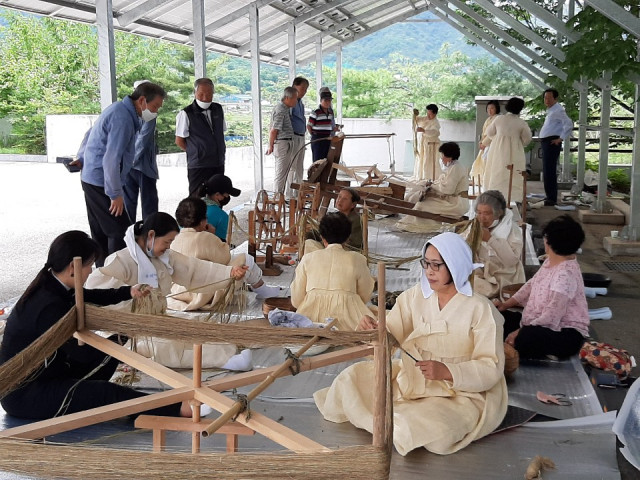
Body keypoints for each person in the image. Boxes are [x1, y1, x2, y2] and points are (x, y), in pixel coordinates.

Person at [314, 232, 507, 456]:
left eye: (437, 265)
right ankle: (394, 421)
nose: (429, 271)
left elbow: (490, 366)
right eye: (426, 263)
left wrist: (448, 371)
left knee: (431, 430)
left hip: (460, 393)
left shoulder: (481, 309)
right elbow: (391, 336)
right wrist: (373, 331)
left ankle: (399, 423)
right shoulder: (415, 297)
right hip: (412, 380)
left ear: (455, 266)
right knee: (348, 381)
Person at [0, 231, 192, 420]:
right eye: (89, 265)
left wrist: (129, 292)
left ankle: (88, 393)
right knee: (105, 393)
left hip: (51, 372)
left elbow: (89, 296)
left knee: (108, 359)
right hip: (25, 393)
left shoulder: (53, 284)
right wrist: (123, 334)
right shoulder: (48, 306)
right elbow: (83, 354)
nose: (91, 270)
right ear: (72, 267)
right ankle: (176, 409)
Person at [85, 213, 252, 370]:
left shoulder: (164, 257)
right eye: (166, 242)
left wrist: (228, 273)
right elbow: (97, 293)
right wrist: (134, 298)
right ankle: (224, 361)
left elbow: (193, 269)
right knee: (165, 346)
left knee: (192, 330)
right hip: (127, 331)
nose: (168, 247)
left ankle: (226, 351)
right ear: (151, 236)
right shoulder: (121, 260)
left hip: (156, 320)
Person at [78, 82, 166, 267]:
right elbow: (111, 158)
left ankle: (102, 274)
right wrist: (115, 194)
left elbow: (89, 133)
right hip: (100, 181)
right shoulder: (123, 118)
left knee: (101, 231)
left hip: (91, 177)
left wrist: (80, 158)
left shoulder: (118, 108)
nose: (156, 111)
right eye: (155, 106)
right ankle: (115, 275)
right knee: (120, 231)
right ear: (142, 100)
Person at [494, 215, 589, 359]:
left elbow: (551, 317)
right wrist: (506, 305)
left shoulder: (565, 276)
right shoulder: (551, 260)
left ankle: (546, 352)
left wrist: (519, 332)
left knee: (527, 338)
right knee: (497, 317)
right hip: (535, 322)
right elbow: (531, 284)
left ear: (549, 243)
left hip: (564, 332)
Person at [168, 197, 280, 311]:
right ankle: (262, 290)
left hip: (179, 293)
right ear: (203, 221)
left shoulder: (173, 238)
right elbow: (225, 258)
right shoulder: (205, 237)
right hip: (203, 292)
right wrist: (213, 235)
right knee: (245, 259)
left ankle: (260, 289)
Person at [291, 212, 375, 331]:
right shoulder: (357, 259)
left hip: (310, 321)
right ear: (347, 237)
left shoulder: (308, 259)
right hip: (350, 320)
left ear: (322, 236)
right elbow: (365, 294)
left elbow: (296, 299)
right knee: (377, 324)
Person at [467, 190, 525, 300]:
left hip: (503, 276)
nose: (482, 218)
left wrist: (490, 239)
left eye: (487, 213)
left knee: (476, 288)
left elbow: (511, 261)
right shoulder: (474, 227)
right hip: (480, 273)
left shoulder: (512, 231)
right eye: (479, 212)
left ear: (498, 213)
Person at [175, 78, 227, 197]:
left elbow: (220, 132)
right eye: (201, 94)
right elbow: (179, 141)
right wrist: (197, 152)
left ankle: (216, 216)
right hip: (199, 165)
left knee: (218, 197)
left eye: (209, 94)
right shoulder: (186, 113)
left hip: (218, 162)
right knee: (198, 199)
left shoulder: (218, 109)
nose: (205, 98)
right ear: (195, 93)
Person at [399, 142, 469, 228]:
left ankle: (417, 227)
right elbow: (443, 183)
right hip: (453, 200)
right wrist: (431, 184)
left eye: (442, 155)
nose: (441, 158)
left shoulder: (455, 168)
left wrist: (432, 186)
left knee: (422, 205)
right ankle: (414, 225)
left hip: (456, 203)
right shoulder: (453, 166)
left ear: (449, 156)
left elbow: (447, 189)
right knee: (422, 196)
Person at [482, 97, 532, 204]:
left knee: (496, 171)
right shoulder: (521, 123)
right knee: (513, 174)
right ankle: (513, 198)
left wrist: (497, 139)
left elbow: (489, 133)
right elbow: (527, 139)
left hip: (497, 150)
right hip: (515, 151)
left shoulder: (499, 119)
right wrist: (517, 143)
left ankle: (493, 197)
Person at [124, 80, 160, 222]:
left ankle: (130, 234)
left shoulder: (136, 111)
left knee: (130, 201)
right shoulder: (148, 112)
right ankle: (148, 231)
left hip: (130, 163)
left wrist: (129, 160)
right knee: (148, 202)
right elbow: (143, 139)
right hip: (142, 165)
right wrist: (133, 159)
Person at [540, 89, 573, 206]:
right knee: (547, 169)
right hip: (547, 141)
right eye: (545, 98)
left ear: (555, 98)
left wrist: (561, 138)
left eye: (549, 98)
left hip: (552, 141)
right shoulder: (551, 110)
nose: (547, 100)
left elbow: (568, 124)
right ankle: (549, 195)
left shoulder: (558, 110)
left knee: (550, 170)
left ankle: (552, 197)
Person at [267, 87, 298, 195]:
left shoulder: (284, 108)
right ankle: (277, 198)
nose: (296, 101)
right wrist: (270, 146)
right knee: (281, 173)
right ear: (288, 98)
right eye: (295, 98)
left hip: (286, 142)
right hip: (282, 143)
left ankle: (280, 197)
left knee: (284, 172)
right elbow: (273, 130)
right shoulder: (280, 109)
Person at [198, 174, 241, 242]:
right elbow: (220, 245)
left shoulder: (190, 207)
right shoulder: (222, 216)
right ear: (217, 195)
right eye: (226, 195)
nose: (227, 198)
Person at [470, 100, 500, 180]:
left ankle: (486, 180)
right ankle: (481, 180)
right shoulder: (488, 119)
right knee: (482, 163)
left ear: (496, 109)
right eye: (488, 108)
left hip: (492, 144)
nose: (489, 110)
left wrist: (484, 143)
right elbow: (484, 133)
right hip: (485, 143)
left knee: (487, 162)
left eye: (492, 108)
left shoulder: (497, 119)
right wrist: (481, 142)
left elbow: (492, 134)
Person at [290, 77, 310, 200]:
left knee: (299, 167)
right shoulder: (290, 102)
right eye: (302, 88)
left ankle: (298, 193)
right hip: (292, 136)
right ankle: (289, 195)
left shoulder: (300, 102)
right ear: (294, 86)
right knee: (292, 167)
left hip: (301, 136)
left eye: (306, 89)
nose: (304, 91)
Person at [307, 87, 336, 162]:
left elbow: (328, 125)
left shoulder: (330, 113)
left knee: (326, 160)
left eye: (329, 100)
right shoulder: (315, 112)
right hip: (317, 140)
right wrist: (315, 135)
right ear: (321, 101)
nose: (327, 102)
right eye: (325, 100)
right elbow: (309, 126)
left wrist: (333, 130)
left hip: (327, 139)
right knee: (318, 162)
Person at [413, 103, 441, 181]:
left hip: (431, 145)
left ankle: (429, 177)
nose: (428, 116)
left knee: (428, 161)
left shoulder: (436, 123)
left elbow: (434, 132)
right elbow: (418, 120)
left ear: (435, 113)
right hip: (423, 143)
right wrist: (414, 115)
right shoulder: (426, 119)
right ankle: (421, 177)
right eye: (427, 113)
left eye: (430, 114)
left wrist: (424, 130)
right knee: (421, 158)